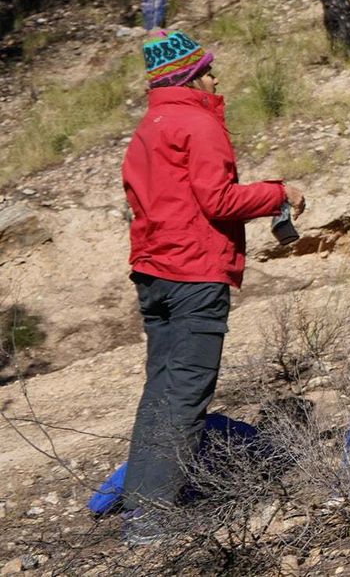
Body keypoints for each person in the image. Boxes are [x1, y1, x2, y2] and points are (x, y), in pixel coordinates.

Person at [119, 30, 305, 543]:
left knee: (162, 390)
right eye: (208, 69)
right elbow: (218, 201)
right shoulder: (199, 123)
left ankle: (140, 509)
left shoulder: (148, 127)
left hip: (153, 273)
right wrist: (278, 193)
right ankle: (152, 522)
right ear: (188, 76)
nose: (216, 76)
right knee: (186, 395)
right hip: (195, 274)